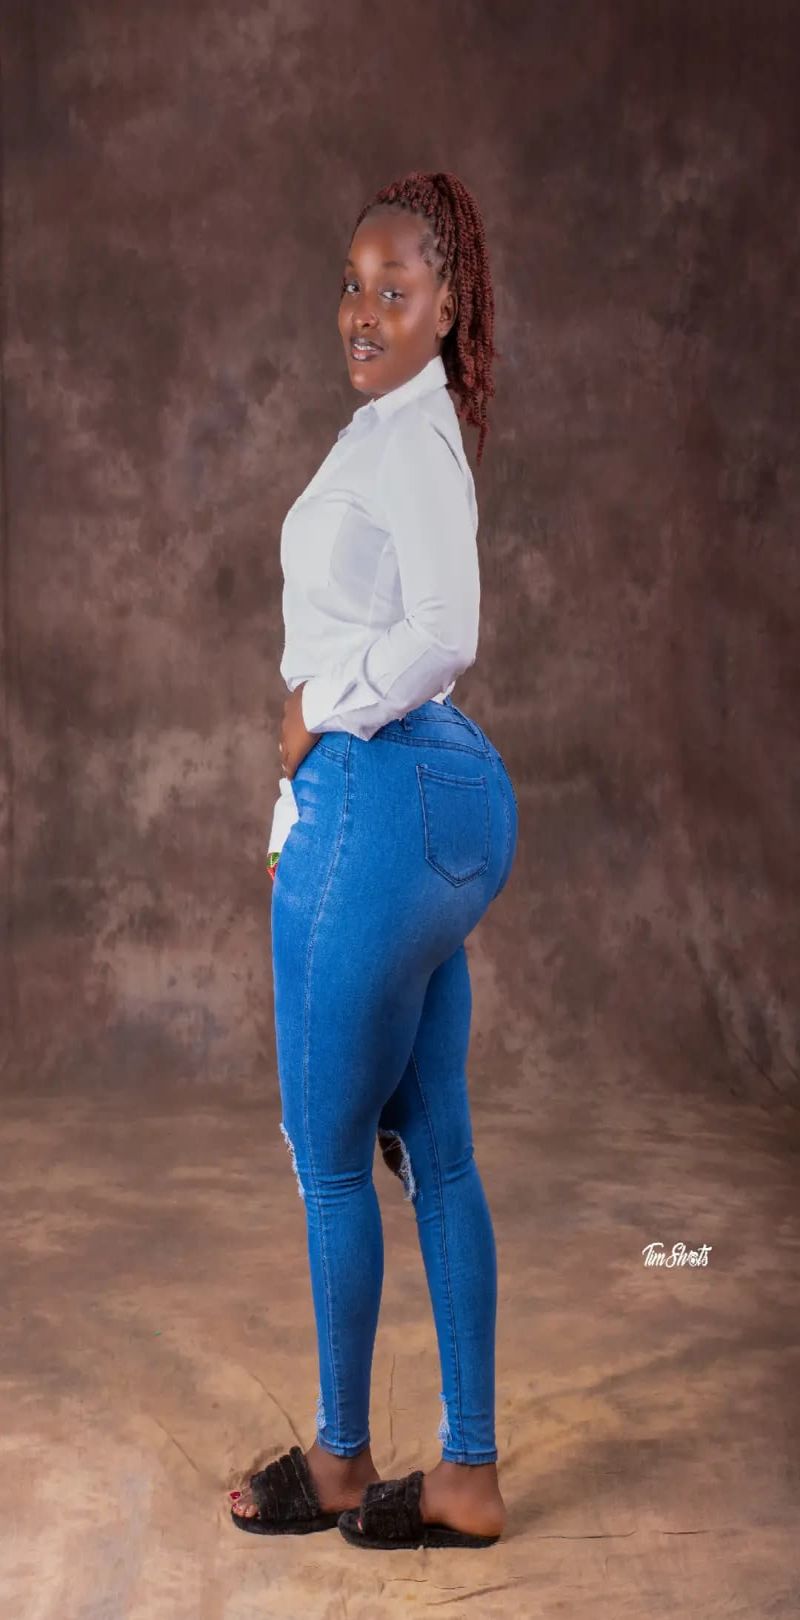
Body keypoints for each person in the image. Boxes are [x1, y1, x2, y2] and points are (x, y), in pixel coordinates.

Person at [227, 171, 519, 1551]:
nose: (363, 311)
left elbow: (443, 634)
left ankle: (342, 1461)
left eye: (395, 290)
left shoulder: (409, 439)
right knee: (437, 1149)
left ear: (446, 306)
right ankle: (467, 1476)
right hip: (436, 809)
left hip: (378, 792)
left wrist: (310, 716)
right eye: (352, 285)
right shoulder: (401, 430)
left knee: (330, 1153)